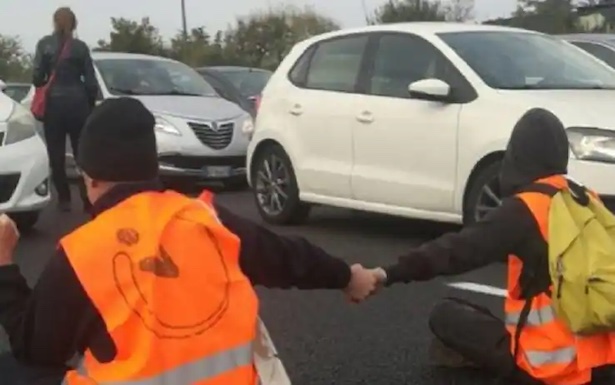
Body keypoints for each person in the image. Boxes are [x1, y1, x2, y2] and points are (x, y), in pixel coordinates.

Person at [0, 98, 381, 384]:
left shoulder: (81, 252)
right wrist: (349, 276)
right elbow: (288, 258)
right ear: (151, 166)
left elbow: (34, 349)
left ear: (90, 177)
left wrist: (4, 264)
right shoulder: (207, 217)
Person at [376, 108, 615, 385]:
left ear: (516, 156)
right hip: (603, 362)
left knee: (445, 314)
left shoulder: (526, 208)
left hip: (549, 368)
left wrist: (388, 272)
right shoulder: (586, 199)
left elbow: (456, 251)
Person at [32, 7, 98, 212]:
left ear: (54, 22)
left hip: (54, 106)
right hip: (78, 104)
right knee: (83, 154)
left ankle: (64, 198)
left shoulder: (44, 45)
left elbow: (36, 77)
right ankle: (87, 197)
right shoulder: (80, 47)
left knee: (56, 153)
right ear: (74, 23)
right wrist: (89, 104)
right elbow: (90, 82)